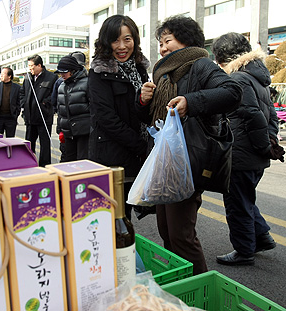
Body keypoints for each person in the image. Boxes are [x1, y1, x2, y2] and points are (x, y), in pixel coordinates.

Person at [137, 15, 242, 275]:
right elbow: (152, 120)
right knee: (167, 232)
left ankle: (200, 292)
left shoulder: (201, 65)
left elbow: (232, 92)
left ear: (186, 40)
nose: (162, 48)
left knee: (182, 235)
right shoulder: (163, 73)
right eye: (160, 43)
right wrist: (142, 102)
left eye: (167, 41)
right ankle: (180, 287)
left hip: (187, 163)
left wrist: (190, 102)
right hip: (164, 164)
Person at [211, 32, 283, 265]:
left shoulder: (239, 79)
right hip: (253, 156)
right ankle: (261, 236)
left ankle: (244, 251)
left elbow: (253, 116)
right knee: (245, 198)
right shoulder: (257, 78)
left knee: (237, 204)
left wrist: (263, 146)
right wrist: (269, 143)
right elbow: (271, 116)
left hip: (242, 154)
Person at [88, 15, 150, 219]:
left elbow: (142, 110)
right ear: (106, 42)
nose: (122, 46)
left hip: (137, 156)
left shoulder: (140, 69)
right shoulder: (99, 72)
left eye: (127, 39)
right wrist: (141, 146)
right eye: (115, 40)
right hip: (112, 156)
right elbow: (106, 118)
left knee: (127, 216)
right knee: (114, 219)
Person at [20, 54, 58, 166]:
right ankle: (29, 164)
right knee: (29, 144)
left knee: (45, 145)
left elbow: (54, 95)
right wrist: (24, 104)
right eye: (29, 66)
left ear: (39, 65)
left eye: (32, 66)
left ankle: (45, 165)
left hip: (44, 117)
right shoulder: (28, 77)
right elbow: (22, 93)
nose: (30, 68)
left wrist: (45, 103)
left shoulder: (51, 77)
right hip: (30, 117)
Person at [55, 54, 90, 161]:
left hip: (85, 132)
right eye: (60, 72)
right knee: (68, 162)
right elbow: (60, 110)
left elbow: (95, 109)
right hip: (67, 133)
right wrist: (60, 129)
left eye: (64, 72)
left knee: (83, 162)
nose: (62, 75)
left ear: (73, 70)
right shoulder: (61, 86)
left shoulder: (88, 83)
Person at [0, 67, 22, 137]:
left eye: (3, 74)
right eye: (1, 74)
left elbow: (19, 102)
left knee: (10, 140)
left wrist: (16, 113)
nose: (1, 75)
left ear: (9, 76)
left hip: (11, 118)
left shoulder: (17, 87)